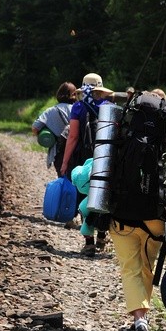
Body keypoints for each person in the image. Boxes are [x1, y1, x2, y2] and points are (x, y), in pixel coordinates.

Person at [109, 89, 166, 331]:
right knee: (146, 267)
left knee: (130, 269)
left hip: (121, 216)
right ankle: (141, 318)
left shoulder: (121, 140)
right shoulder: (165, 149)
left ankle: (140, 319)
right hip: (154, 219)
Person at [60, 73, 115, 256]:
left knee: (86, 196)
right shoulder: (109, 106)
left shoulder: (78, 107)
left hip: (85, 158)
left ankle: (89, 242)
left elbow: (73, 136)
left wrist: (65, 162)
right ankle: (102, 234)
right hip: (107, 158)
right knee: (105, 193)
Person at [32, 82, 79, 228]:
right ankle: (81, 216)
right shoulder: (79, 109)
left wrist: (48, 132)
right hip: (79, 151)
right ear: (74, 95)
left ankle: (69, 215)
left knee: (65, 181)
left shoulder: (51, 111)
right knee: (80, 182)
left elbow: (35, 128)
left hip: (60, 152)